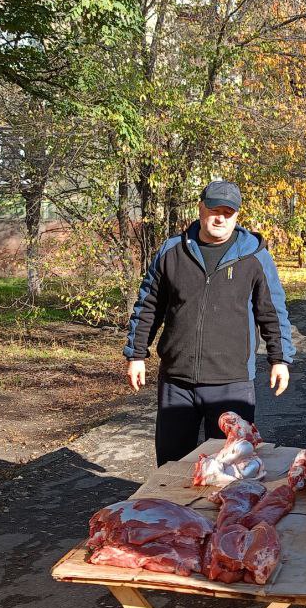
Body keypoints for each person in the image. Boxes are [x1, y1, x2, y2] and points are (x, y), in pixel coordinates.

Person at [125, 181, 295, 466]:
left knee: (230, 467)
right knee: (171, 466)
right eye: (214, 210)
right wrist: (136, 354)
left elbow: (273, 311)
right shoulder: (172, 252)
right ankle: (173, 510)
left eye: (228, 213)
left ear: (237, 216)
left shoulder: (254, 256)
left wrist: (280, 358)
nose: (220, 218)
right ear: (201, 208)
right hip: (177, 382)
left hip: (232, 383)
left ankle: (225, 512)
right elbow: (148, 305)